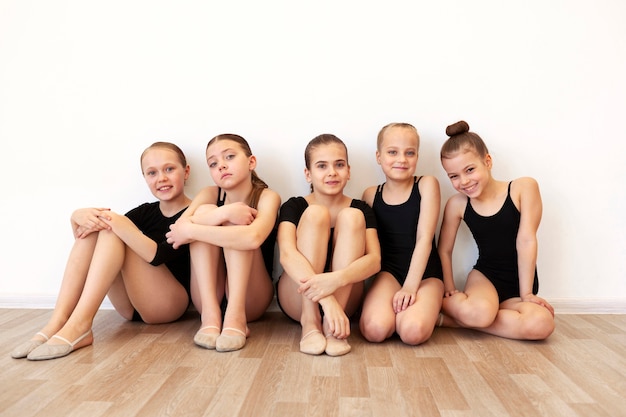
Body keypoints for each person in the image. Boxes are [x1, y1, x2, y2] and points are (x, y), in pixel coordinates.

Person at [12, 142, 193, 361]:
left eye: (169, 169)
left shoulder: (194, 213)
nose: (161, 178)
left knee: (111, 226)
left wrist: (112, 221)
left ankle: (80, 325)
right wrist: (76, 217)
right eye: (152, 173)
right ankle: (58, 322)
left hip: (167, 306)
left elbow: (158, 256)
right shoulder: (145, 212)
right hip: (130, 308)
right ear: (145, 178)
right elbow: (96, 250)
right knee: (104, 229)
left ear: (186, 171)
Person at [437, 121, 555, 340]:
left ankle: (455, 321)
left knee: (542, 324)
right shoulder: (457, 204)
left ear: (487, 161)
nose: (464, 181)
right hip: (485, 278)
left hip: (520, 283)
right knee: (480, 313)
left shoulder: (523, 188)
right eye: (453, 176)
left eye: (470, 170)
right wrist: (450, 289)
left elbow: (527, 240)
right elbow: (444, 250)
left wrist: (526, 293)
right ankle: (465, 312)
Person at [166, 134, 279, 352]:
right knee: (209, 210)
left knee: (232, 220)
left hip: (250, 299)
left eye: (229, 157)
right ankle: (210, 318)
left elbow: (253, 237)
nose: (222, 166)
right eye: (213, 163)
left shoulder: (267, 196)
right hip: (210, 296)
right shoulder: (209, 194)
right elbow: (177, 231)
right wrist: (224, 212)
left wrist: (195, 227)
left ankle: (236, 318)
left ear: (251, 162)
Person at [276, 134, 381, 356]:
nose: (332, 172)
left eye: (339, 165)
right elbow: (286, 255)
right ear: (308, 174)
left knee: (351, 216)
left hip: (345, 299)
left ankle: (333, 329)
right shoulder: (294, 206)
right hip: (298, 298)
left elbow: (374, 261)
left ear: (349, 171)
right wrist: (326, 300)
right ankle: (311, 322)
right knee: (315, 214)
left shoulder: (361, 209)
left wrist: (335, 280)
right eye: (322, 166)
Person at [359, 123, 444, 345]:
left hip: (425, 274)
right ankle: (404, 314)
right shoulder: (370, 195)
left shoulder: (426, 184)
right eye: (392, 152)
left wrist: (410, 287)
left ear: (417, 156)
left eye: (410, 153)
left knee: (411, 332)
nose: (402, 159)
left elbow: (425, 238)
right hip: (390, 273)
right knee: (374, 330)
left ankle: (433, 314)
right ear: (379, 156)